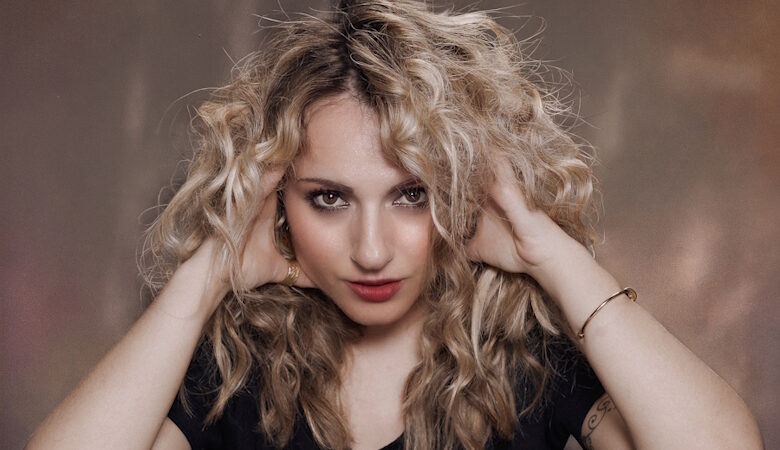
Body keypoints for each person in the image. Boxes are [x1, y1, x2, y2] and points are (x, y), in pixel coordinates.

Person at [27, 1, 763, 449]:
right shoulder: (229, 369)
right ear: (277, 201)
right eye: (329, 199)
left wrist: (550, 254)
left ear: (460, 192)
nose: (372, 251)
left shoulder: (526, 358)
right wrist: (207, 277)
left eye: (411, 195)